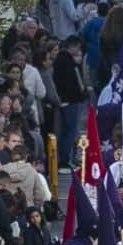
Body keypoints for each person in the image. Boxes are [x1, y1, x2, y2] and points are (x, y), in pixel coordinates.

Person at [53, 36, 87, 171]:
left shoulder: (64, 60)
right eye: (77, 47)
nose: (78, 50)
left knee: (70, 131)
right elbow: (69, 83)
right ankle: (64, 160)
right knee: (70, 131)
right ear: (72, 46)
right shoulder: (65, 61)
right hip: (70, 101)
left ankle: (68, 158)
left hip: (70, 100)